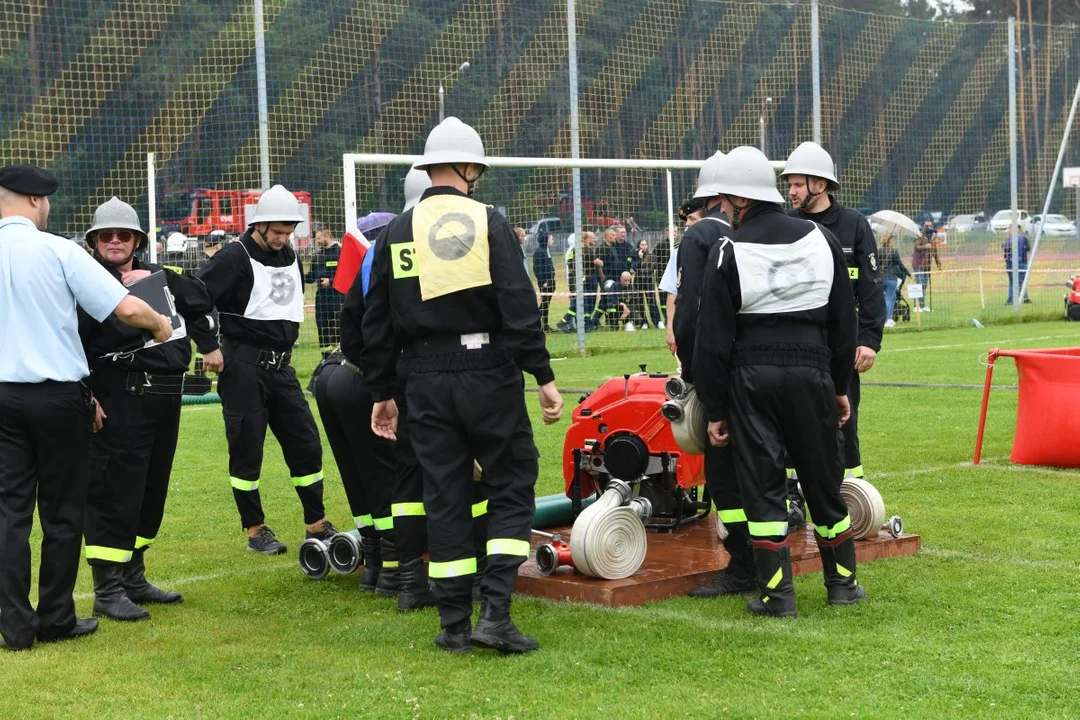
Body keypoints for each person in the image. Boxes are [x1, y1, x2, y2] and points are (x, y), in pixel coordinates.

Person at [361, 117, 563, 655]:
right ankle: (495, 612)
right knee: (511, 481)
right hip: (487, 371)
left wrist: (383, 392)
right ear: (470, 167)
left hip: (421, 378)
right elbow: (518, 305)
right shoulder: (487, 220)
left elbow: (375, 323)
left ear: (429, 168)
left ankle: (453, 624)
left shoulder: (396, 231)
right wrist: (541, 375)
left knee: (443, 492)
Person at [0, 165, 173, 651]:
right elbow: (125, 309)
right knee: (61, 510)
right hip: (57, 397)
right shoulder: (57, 249)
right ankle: (56, 617)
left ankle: (14, 627)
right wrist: (160, 325)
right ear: (36, 201)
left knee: (9, 512)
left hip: (2, 395)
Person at [692, 146, 861, 618]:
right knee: (822, 478)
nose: (723, 211)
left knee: (763, 484)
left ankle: (776, 595)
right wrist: (839, 385)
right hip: (812, 370)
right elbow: (843, 321)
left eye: (725, 203)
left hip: (752, 377)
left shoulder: (728, 250)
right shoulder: (819, 238)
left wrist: (717, 409)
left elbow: (713, 340)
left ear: (741, 201)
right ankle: (842, 585)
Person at [77, 197, 220, 622]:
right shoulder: (84, 282)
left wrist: (162, 280)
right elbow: (71, 343)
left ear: (138, 240)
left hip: (163, 399)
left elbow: (199, 300)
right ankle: (107, 588)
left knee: (150, 490)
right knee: (113, 490)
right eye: (107, 235)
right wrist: (86, 396)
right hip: (118, 397)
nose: (116, 241)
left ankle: (134, 576)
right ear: (94, 242)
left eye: (124, 235)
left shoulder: (159, 275)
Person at [197, 185, 333, 555]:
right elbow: (193, 297)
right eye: (277, 232)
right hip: (243, 368)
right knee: (247, 447)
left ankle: (316, 524)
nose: (283, 238)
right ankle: (255, 529)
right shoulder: (233, 257)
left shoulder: (290, 254)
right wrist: (208, 345)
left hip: (282, 369)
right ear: (259, 226)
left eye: (289, 232)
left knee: (305, 442)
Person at [672, 151, 757, 599]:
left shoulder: (701, 235)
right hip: (767, 369)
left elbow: (689, 316)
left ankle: (744, 564)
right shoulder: (765, 232)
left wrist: (691, 370)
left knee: (723, 473)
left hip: (722, 373)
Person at [783, 141, 885, 486]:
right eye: (790, 185)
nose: (792, 192)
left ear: (820, 185)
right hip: (795, 345)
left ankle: (852, 492)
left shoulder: (854, 225)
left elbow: (871, 287)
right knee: (792, 420)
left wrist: (869, 340)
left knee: (843, 420)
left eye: (798, 184)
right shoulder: (785, 224)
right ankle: (790, 496)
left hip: (840, 346)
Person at [659, 198, 705, 355]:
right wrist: (671, 329)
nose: (687, 224)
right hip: (690, 324)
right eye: (686, 219)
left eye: (692, 218)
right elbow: (672, 291)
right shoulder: (679, 251)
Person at [305, 227, 344, 358]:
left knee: (337, 325)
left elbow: (346, 274)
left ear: (327, 236)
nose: (317, 241)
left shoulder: (340, 252)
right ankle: (325, 358)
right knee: (322, 326)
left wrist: (331, 281)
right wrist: (298, 275)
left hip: (337, 295)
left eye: (319, 238)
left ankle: (339, 355)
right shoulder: (318, 255)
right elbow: (311, 276)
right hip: (321, 297)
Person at [878, 232, 910, 327]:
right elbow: (900, 265)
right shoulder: (893, 251)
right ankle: (887, 319)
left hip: (880, 278)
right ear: (890, 240)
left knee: (892, 298)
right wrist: (908, 273)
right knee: (889, 298)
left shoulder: (878, 251)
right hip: (891, 279)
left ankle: (890, 318)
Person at [633, 238, 663, 330]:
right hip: (638, 281)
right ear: (639, 246)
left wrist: (644, 264)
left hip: (649, 281)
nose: (644, 246)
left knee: (652, 302)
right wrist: (639, 258)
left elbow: (654, 266)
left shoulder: (652, 255)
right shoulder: (635, 255)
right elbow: (634, 267)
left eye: (645, 244)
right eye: (642, 244)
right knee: (640, 302)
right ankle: (644, 322)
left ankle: (657, 321)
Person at [912, 220, 941, 311]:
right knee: (919, 285)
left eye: (930, 226)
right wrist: (925, 246)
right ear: (924, 226)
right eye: (927, 226)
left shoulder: (932, 238)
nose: (929, 228)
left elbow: (935, 252)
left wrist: (938, 264)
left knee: (924, 285)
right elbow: (916, 246)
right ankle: (916, 306)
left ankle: (922, 305)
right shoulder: (919, 235)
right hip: (918, 264)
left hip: (927, 266)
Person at [532, 232, 556, 332]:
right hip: (545, 282)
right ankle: (536, 322)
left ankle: (544, 325)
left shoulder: (546, 250)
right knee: (544, 303)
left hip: (550, 281)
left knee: (546, 304)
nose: (552, 240)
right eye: (551, 238)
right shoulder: (539, 251)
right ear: (546, 239)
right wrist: (543, 282)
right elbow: (537, 268)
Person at [1003, 225, 1032, 305]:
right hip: (1014, 263)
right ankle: (1014, 298)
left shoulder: (1021, 239)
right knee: (1016, 281)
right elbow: (1005, 249)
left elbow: (1028, 248)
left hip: (1020, 262)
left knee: (1019, 281)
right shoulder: (1010, 239)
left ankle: (1020, 298)